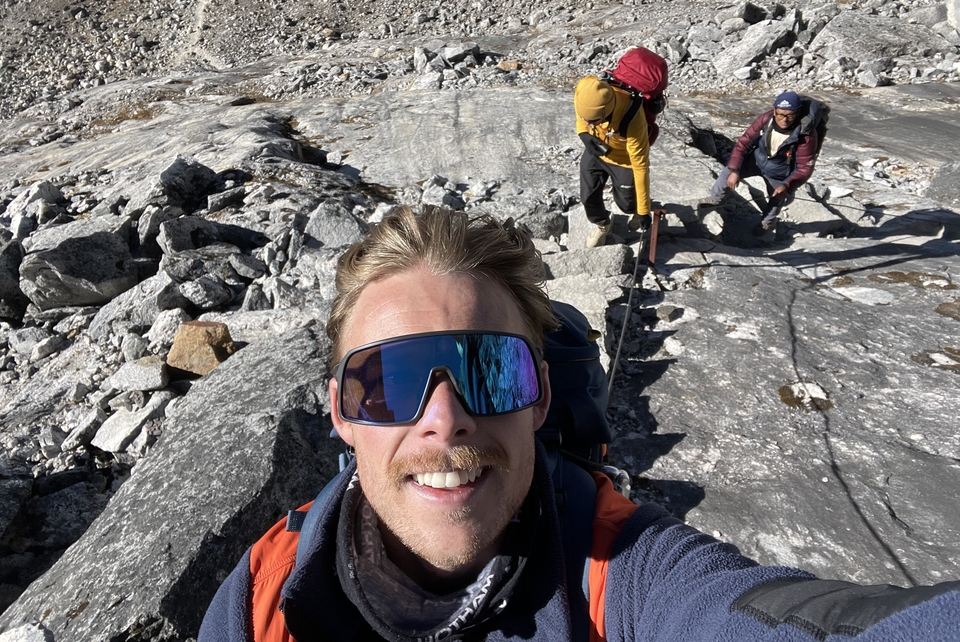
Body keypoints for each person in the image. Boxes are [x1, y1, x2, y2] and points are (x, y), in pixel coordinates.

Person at [199, 205, 959, 642]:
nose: (445, 420)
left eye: (490, 370)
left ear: (537, 398)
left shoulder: (625, 573)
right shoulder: (255, 598)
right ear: (341, 413)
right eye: (389, 383)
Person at [700, 91, 822, 232]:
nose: (785, 119)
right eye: (781, 114)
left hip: (779, 171)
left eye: (790, 115)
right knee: (726, 174)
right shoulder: (766, 119)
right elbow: (743, 143)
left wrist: (787, 185)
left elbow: (804, 167)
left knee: (777, 197)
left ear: (798, 113)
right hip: (756, 160)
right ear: (775, 111)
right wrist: (735, 170)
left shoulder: (806, 135)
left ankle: (767, 224)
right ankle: (715, 201)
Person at [574, 76, 652, 248]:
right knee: (588, 197)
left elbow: (640, 167)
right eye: (586, 119)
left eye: (592, 121)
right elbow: (581, 110)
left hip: (624, 162)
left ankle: (635, 211)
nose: (588, 122)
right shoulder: (586, 87)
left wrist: (644, 211)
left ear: (605, 111)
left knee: (626, 204)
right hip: (597, 150)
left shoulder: (633, 118)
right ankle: (603, 224)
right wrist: (583, 133)